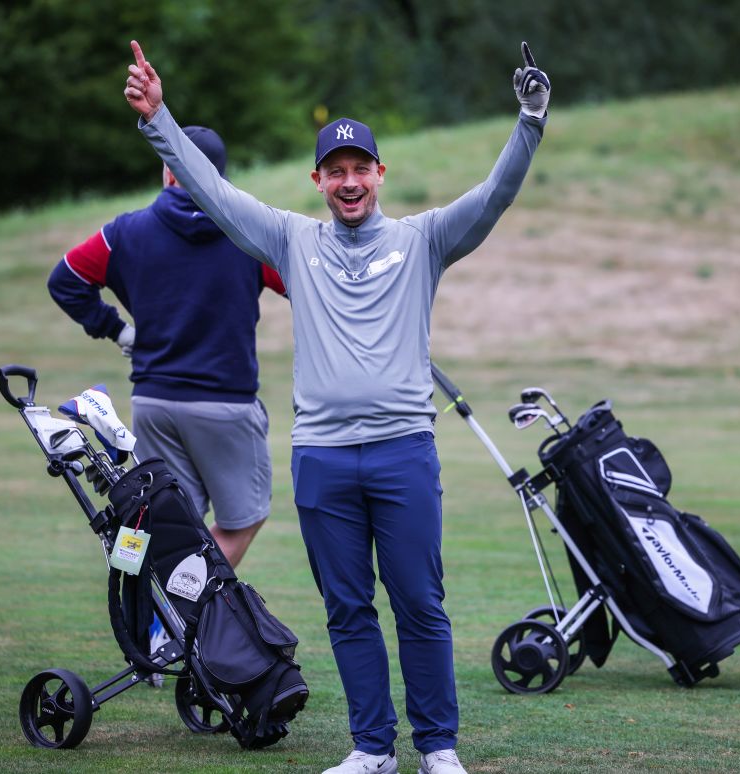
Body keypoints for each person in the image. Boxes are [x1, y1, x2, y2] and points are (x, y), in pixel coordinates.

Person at [123, 39, 550, 774]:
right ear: (318, 180)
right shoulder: (292, 240)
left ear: (380, 174)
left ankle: (438, 747)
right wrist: (160, 119)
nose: (350, 183)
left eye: (361, 169)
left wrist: (531, 119)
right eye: (336, 172)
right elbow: (214, 193)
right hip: (321, 458)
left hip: (402, 453)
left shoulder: (424, 239)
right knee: (348, 609)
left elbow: (494, 196)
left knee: (419, 604)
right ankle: (372, 748)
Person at [48, 125, 286, 570]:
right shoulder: (249, 234)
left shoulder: (125, 232)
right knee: (243, 519)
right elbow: (306, 287)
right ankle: (188, 603)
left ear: (170, 172)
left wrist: (119, 332)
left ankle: (163, 609)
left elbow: (66, 281)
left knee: (172, 524)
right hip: (226, 405)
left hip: (153, 402)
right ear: (219, 177)